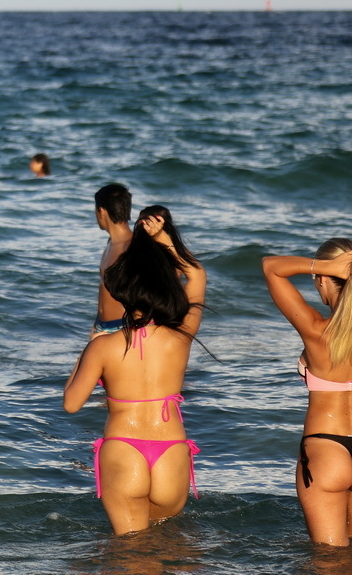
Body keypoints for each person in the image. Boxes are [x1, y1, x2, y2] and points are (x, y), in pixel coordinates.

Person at [64, 213, 207, 535]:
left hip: (123, 449)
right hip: (171, 450)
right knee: (165, 543)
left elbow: (72, 404)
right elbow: (196, 276)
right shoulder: (181, 336)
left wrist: (84, 354)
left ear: (122, 293)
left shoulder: (102, 347)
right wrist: (166, 241)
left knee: (131, 553)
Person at [262, 239, 352, 546]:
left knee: (329, 561)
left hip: (325, 448)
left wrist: (324, 265)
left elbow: (271, 267)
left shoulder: (315, 329)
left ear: (321, 279)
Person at [91, 184, 133, 338]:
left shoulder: (133, 247)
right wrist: (96, 329)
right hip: (102, 327)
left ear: (101, 211)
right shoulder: (111, 243)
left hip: (124, 329)